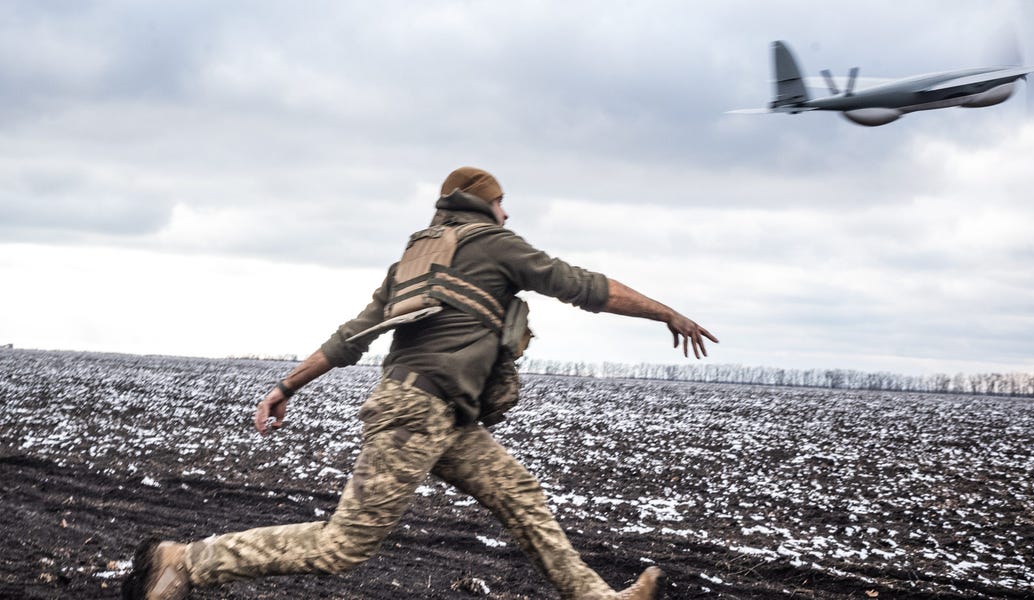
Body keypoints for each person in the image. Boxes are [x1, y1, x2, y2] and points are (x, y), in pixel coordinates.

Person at [123, 167, 718, 600]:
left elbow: (350, 337)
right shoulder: (495, 245)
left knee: (519, 494)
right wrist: (665, 312)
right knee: (343, 546)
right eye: (502, 203)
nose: (508, 214)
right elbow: (585, 287)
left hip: (445, 416)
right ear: (483, 204)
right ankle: (186, 562)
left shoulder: (414, 260)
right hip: (415, 412)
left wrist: (287, 386)